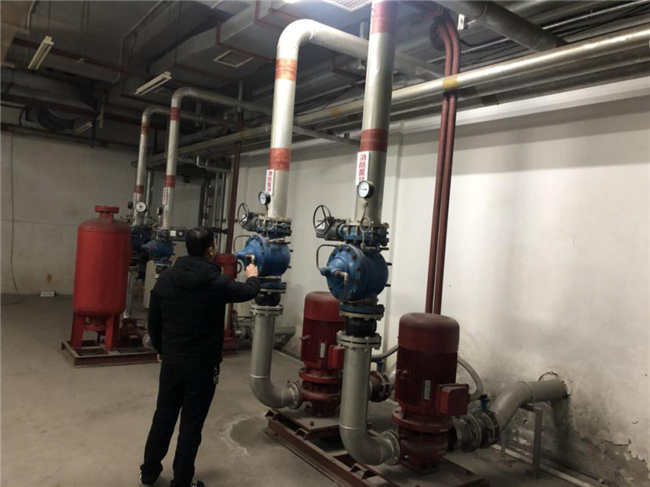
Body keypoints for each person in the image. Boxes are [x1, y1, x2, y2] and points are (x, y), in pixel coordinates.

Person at [140, 227, 260, 487]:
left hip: (172, 362)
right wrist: (252, 276)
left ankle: (148, 473)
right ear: (211, 249)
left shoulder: (166, 279)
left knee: (163, 416)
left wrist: (161, 349)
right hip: (202, 365)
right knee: (191, 424)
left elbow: (154, 321)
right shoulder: (217, 283)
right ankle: (182, 480)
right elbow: (248, 292)